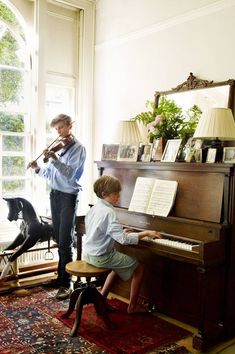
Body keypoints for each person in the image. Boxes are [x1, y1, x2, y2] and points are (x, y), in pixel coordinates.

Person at [28, 114, 86, 300]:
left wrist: (54, 159)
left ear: (70, 126)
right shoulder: (60, 148)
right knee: (59, 240)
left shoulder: (78, 148)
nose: (58, 132)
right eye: (56, 129)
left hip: (68, 197)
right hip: (54, 195)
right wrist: (38, 169)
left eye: (61, 128)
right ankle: (60, 277)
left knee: (65, 240)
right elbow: (52, 175)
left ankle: (66, 283)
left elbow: (69, 175)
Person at [83, 175, 161, 313]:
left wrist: (119, 231)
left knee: (118, 264)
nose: (118, 196)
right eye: (115, 194)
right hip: (102, 256)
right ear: (104, 194)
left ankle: (102, 297)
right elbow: (123, 240)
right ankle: (132, 306)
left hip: (89, 253)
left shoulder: (95, 208)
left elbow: (101, 229)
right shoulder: (109, 212)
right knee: (140, 267)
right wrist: (145, 233)